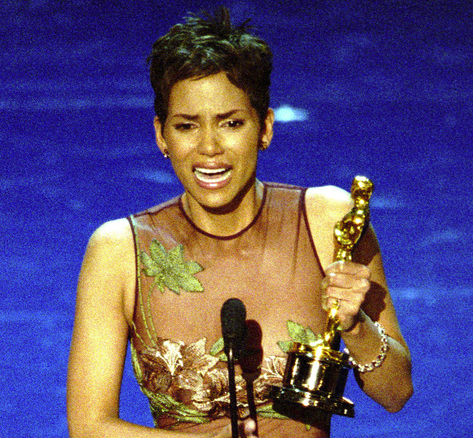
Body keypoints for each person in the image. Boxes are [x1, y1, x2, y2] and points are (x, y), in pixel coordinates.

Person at [67, 8, 412, 438]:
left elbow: (396, 392)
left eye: (231, 123)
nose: (209, 147)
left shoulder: (329, 219)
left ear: (264, 128)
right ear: (161, 136)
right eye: (186, 126)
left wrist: (357, 326)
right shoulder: (119, 250)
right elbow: (89, 427)